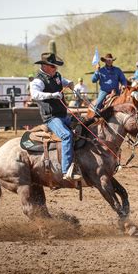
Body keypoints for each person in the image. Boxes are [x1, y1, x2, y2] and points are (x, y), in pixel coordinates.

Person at [30, 52, 81, 181]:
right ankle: (66, 170)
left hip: (63, 114)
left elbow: (62, 81)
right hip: (51, 118)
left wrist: (69, 83)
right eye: (53, 66)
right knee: (66, 136)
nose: (56, 69)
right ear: (45, 66)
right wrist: (52, 95)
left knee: (82, 126)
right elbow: (35, 95)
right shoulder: (38, 81)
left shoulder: (56, 76)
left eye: (56, 66)